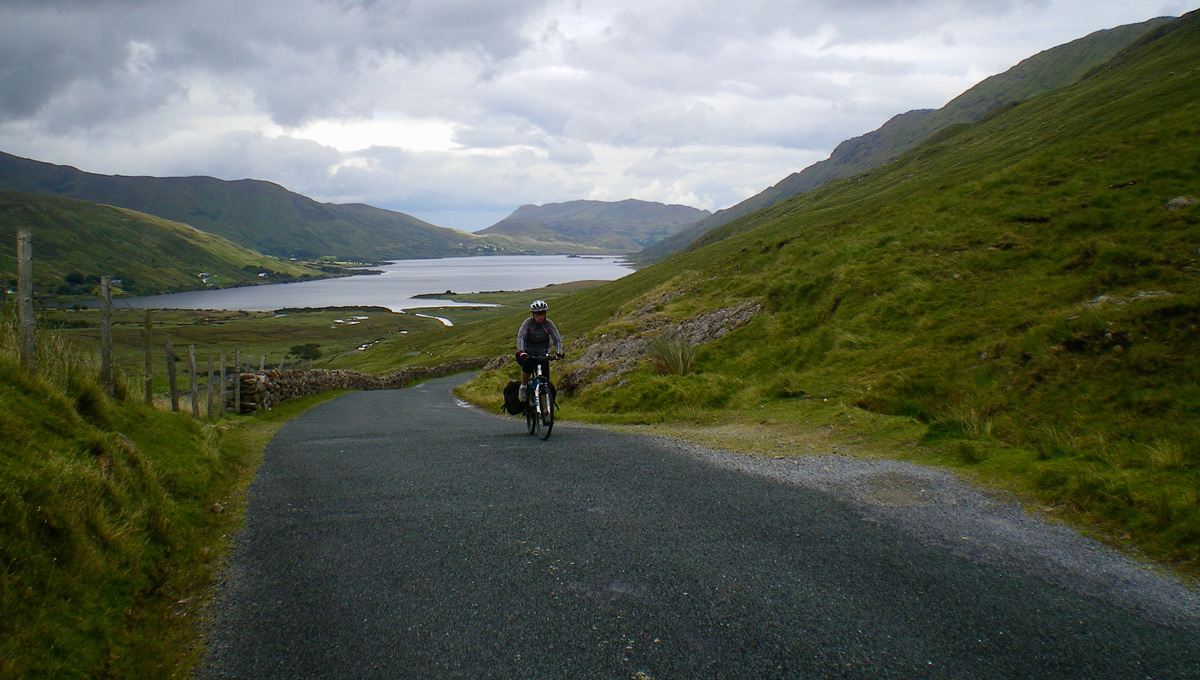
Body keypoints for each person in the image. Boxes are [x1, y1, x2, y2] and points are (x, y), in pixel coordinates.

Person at [516, 299, 563, 401]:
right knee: (528, 365)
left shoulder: (548, 324)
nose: (540, 316)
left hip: (542, 354)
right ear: (533, 315)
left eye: (542, 314)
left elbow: (557, 340)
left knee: (545, 380)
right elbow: (521, 338)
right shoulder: (528, 323)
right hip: (527, 353)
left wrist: (558, 353)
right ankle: (523, 387)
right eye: (537, 314)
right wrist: (521, 351)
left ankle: (545, 409)